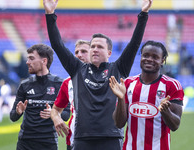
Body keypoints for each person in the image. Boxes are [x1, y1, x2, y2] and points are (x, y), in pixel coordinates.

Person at [44, 0, 152, 149]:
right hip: (82, 139)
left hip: (111, 137)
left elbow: (134, 43)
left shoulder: (118, 68)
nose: (94, 49)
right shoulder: (77, 69)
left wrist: (143, 14)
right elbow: (57, 44)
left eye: (99, 47)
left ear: (109, 53)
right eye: (92, 46)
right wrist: (50, 14)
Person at [109, 40, 184, 150]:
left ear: (162, 60)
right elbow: (119, 123)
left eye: (155, 57)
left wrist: (165, 111)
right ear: (141, 57)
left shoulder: (172, 85)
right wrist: (121, 99)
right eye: (146, 55)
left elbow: (175, 126)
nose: (149, 59)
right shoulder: (128, 83)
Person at [10, 44, 63, 150]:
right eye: (27, 58)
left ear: (44, 61)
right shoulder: (24, 85)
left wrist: (54, 112)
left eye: (31, 58)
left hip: (48, 142)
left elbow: (66, 114)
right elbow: (13, 117)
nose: (27, 62)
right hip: (25, 142)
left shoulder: (59, 84)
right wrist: (18, 112)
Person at [54, 40, 90, 150]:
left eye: (84, 51)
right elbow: (55, 109)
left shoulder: (107, 79)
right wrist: (56, 118)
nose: (79, 55)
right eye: (76, 52)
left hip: (101, 140)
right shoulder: (67, 82)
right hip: (74, 139)